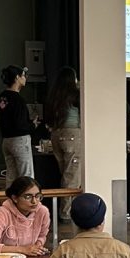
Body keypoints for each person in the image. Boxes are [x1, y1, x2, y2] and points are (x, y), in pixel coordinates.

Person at [44, 67, 81, 221]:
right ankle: (66, 213)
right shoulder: (75, 94)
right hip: (72, 134)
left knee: (65, 172)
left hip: (56, 134)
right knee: (71, 176)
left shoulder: (54, 95)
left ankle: (65, 210)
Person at [0, 65, 34, 184]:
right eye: (23, 76)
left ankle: (9, 201)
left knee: (11, 176)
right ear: (17, 77)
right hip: (20, 140)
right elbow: (20, 123)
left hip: (6, 140)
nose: (25, 78)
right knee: (26, 176)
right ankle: (28, 201)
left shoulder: (2, 97)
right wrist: (32, 125)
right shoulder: (18, 99)